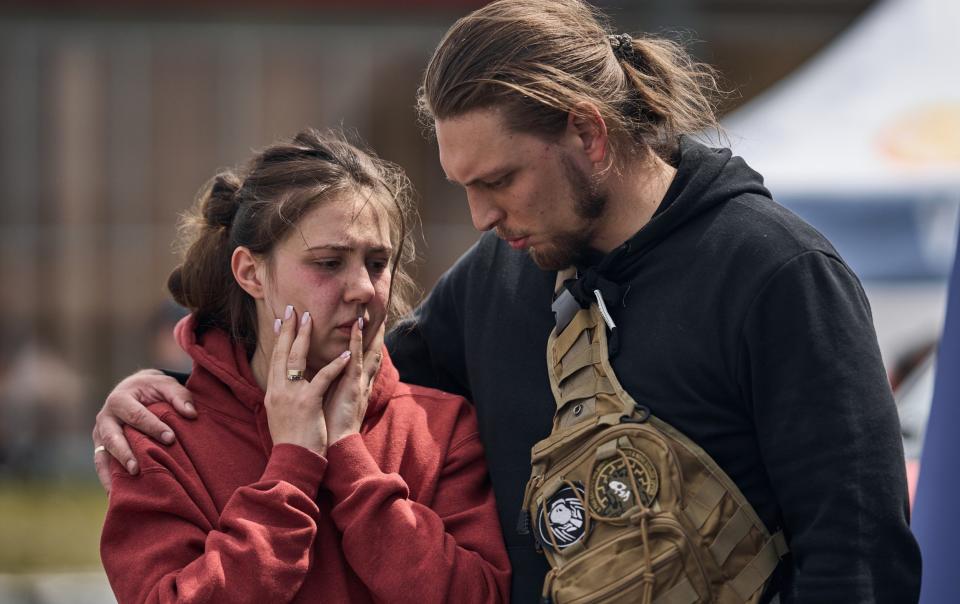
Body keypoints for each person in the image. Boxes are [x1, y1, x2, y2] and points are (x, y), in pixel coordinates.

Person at [93, 1, 921, 601]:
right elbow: (358, 385)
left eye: (499, 181)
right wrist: (167, 387)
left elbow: (860, 559)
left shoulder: (781, 277)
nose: (483, 217)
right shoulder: (498, 278)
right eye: (464, 188)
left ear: (589, 135)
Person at [97, 129, 511, 603]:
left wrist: (352, 465)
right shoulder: (163, 439)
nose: (362, 288)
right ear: (250, 272)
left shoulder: (442, 427)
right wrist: (292, 466)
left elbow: (479, 596)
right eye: (330, 263)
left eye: (377, 263)